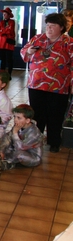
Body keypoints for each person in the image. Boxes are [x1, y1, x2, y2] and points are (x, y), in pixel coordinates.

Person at [22, 12, 73, 152]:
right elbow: (24, 51)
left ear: (62, 27)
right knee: (37, 114)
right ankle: (35, 140)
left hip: (58, 86)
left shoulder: (68, 43)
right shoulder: (38, 38)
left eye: (53, 26)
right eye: (48, 26)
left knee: (55, 114)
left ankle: (54, 141)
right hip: (36, 84)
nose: (49, 29)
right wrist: (29, 51)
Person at [0, 104, 43, 169]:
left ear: (27, 120)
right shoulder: (19, 126)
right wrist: (1, 151)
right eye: (15, 117)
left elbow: (21, 147)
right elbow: (7, 137)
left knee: (19, 154)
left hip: (32, 156)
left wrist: (15, 132)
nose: (15, 120)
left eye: (19, 118)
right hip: (17, 149)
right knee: (5, 143)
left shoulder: (34, 133)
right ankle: (4, 159)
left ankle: (8, 163)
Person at [0, 7, 16, 74]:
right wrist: (3, 31)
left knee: (9, 59)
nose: (4, 15)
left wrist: (2, 31)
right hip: (1, 44)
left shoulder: (12, 22)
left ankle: (9, 73)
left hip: (8, 44)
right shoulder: (1, 22)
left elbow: (9, 31)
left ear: (9, 15)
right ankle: (2, 73)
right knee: (2, 59)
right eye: (3, 14)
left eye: (5, 14)